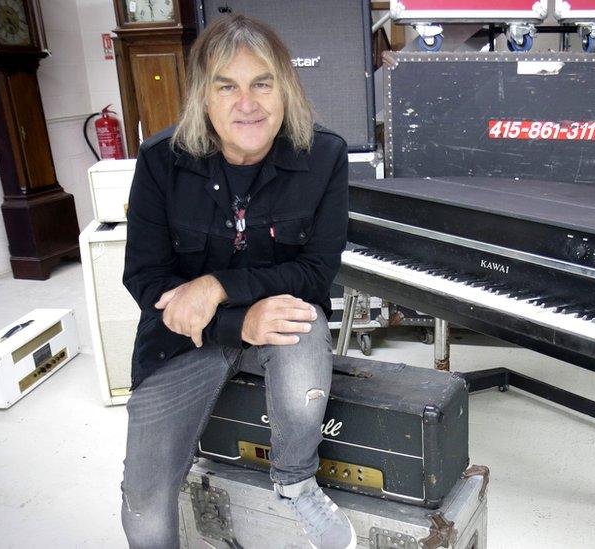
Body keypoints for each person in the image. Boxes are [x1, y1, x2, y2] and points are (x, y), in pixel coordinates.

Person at [120, 14, 353, 549]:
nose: (246, 103)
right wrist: (236, 319)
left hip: (276, 332)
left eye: (261, 84)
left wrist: (217, 286)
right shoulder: (161, 162)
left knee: (305, 317)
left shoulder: (325, 157)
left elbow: (317, 272)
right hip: (179, 343)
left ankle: (295, 480)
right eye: (228, 86)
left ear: (285, 91)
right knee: (145, 513)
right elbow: (145, 278)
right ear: (205, 97)